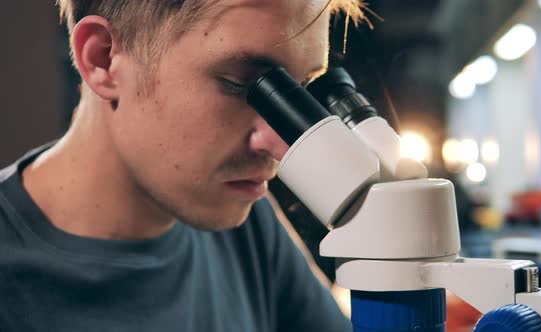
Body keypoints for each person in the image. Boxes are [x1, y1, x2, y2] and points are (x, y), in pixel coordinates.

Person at [0, 0, 365, 330]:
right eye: (239, 83)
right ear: (103, 59)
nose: (281, 144)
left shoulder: (244, 219)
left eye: (299, 87)